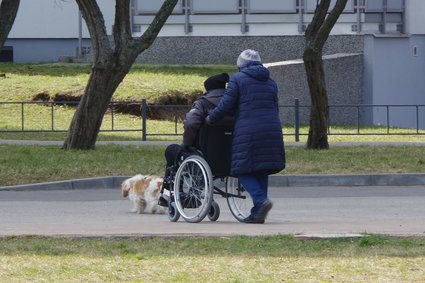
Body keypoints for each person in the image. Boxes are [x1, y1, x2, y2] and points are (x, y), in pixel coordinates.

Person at [206, 49, 286, 224]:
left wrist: (211, 118)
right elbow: (275, 107)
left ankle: (260, 201)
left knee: (240, 169)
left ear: (240, 64)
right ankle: (258, 213)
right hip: (272, 127)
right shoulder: (270, 81)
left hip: (249, 128)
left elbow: (227, 103)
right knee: (261, 168)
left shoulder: (238, 79)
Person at [159, 73, 230, 205]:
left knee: (171, 151)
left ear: (208, 89)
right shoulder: (234, 104)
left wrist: (186, 144)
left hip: (205, 154)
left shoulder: (202, 103)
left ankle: (173, 192)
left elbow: (191, 124)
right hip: (231, 155)